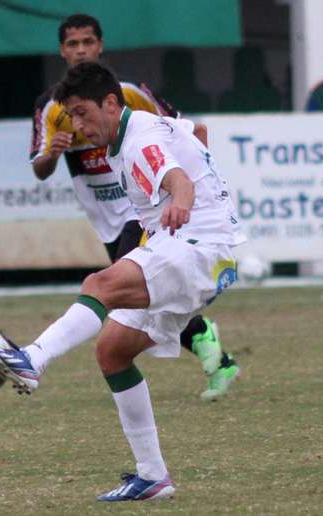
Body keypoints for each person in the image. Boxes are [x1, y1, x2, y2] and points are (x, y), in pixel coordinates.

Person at [0, 61, 246, 501]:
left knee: (99, 284)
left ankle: (32, 359)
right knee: (112, 352)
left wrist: (182, 201)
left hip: (198, 244)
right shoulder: (139, 129)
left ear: (110, 103)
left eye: (83, 113)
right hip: (201, 247)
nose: (79, 126)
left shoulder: (139, 140)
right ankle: (153, 476)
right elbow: (195, 131)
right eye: (72, 118)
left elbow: (176, 179)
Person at [30, 13, 238, 399]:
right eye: (72, 44)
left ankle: (32, 359)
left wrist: (190, 199)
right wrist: (54, 154)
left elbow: (186, 134)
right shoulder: (53, 107)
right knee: (122, 322)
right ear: (62, 50)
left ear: (100, 45)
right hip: (108, 216)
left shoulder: (131, 100)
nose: (80, 50)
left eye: (87, 42)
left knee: (106, 290)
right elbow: (39, 167)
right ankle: (207, 341)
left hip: (143, 215)